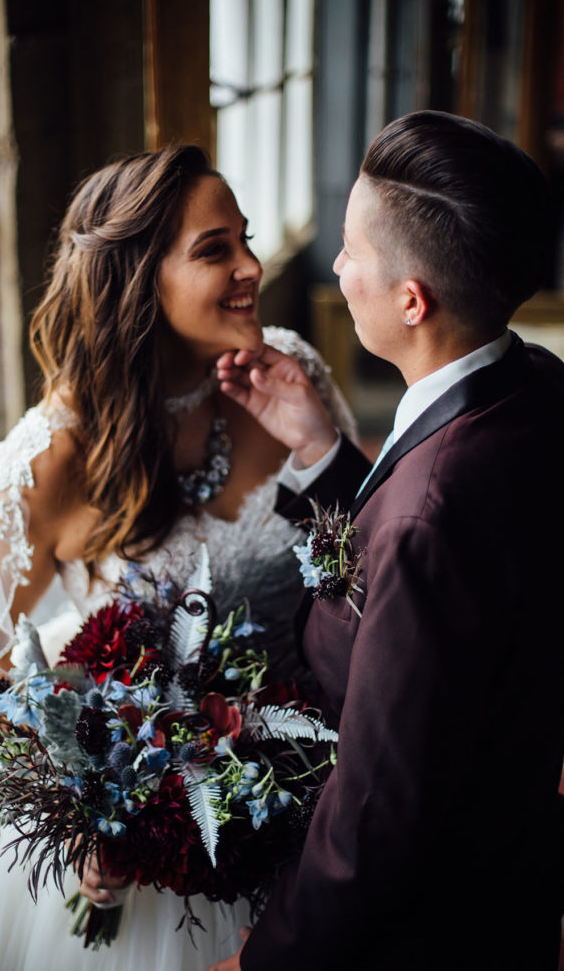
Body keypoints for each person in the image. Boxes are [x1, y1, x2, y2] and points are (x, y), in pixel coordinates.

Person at [0, 144, 356, 971]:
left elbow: (362, 567)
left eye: (246, 240)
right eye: (213, 249)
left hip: (306, 800)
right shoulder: (47, 462)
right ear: (135, 279)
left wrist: (323, 445)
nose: (251, 267)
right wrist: (83, 820)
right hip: (148, 869)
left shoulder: (291, 375)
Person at [210, 111, 564, 970]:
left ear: (412, 299)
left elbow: (378, 809)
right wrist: (324, 454)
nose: (334, 268)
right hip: (514, 877)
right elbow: (434, 563)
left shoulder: (429, 510)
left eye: (349, 251)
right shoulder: (536, 384)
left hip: (429, 929)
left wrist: (266, 960)